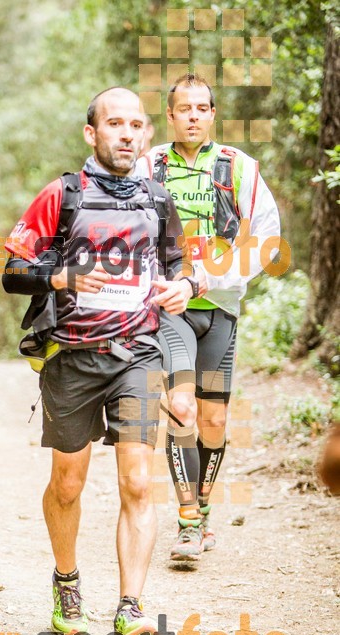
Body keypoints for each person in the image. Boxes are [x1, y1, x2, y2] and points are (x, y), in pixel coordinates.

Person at [3, 87, 194, 635]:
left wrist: (180, 287)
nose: (127, 134)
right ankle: (67, 584)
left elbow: (179, 265)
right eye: (115, 123)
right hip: (71, 360)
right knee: (68, 483)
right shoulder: (61, 195)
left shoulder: (157, 199)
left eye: (136, 124)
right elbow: (13, 268)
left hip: (137, 355)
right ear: (92, 132)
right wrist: (58, 277)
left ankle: (131, 609)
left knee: (138, 480)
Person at [136, 74, 281, 564]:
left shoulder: (239, 167)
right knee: (181, 407)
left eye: (202, 107)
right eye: (184, 108)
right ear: (170, 115)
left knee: (214, 420)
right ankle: (188, 523)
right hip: (168, 309)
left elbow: (267, 239)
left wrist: (209, 279)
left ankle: (203, 508)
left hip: (219, 307)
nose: (193, 115)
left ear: (213, 115)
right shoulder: (148, 165)